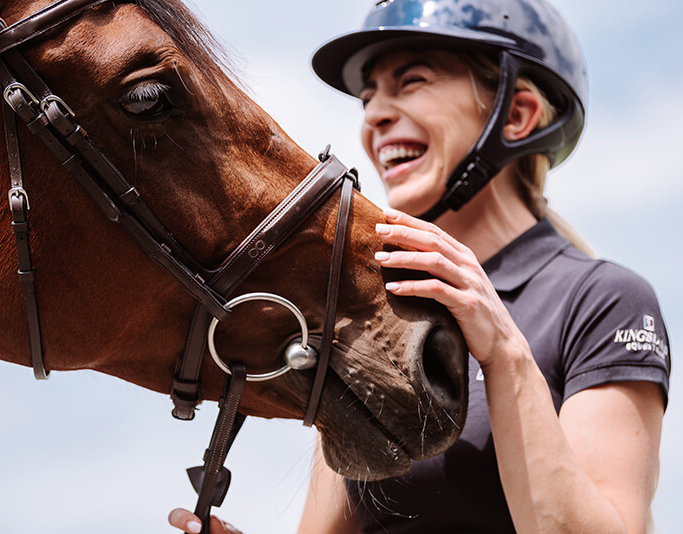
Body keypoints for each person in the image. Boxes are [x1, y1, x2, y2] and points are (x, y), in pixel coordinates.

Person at [170, 0, 671, 532]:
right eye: (368, 98)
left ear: (518, 115)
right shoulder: (374, 311)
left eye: (412, 81)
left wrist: (503, 351)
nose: (374, 116)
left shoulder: (603, 301)